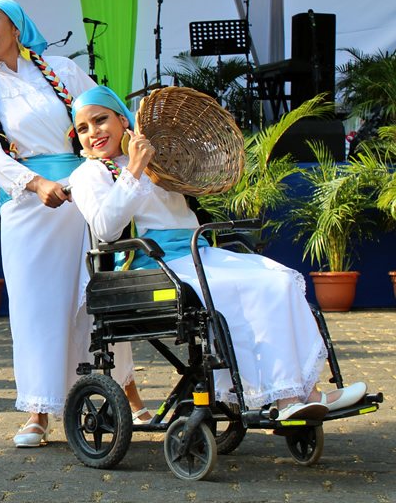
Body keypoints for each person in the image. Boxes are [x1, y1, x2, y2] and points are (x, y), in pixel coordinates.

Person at [67, 86, 368, 420]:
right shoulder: (88, 174)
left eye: (100, 120)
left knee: (278, 280)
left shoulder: (158, 158)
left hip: (197, 253)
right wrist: (133, 170)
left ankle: (306, 392)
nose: (93, 132)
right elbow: (107, 228)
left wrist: (153, 156)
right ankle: (285, 400)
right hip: (153, 264)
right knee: (251, 289)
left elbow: (204, 168)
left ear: (123, 120)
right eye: (83, 128)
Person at [0, 0, 103, 447]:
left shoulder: (63, 69)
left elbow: (102, 123)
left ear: (17, 27)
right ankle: (38, 411)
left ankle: (128, 398)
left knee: (98, 300)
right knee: (36, 308)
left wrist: (96, 176)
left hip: (86, 198)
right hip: (28, 208)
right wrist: (37, 184)